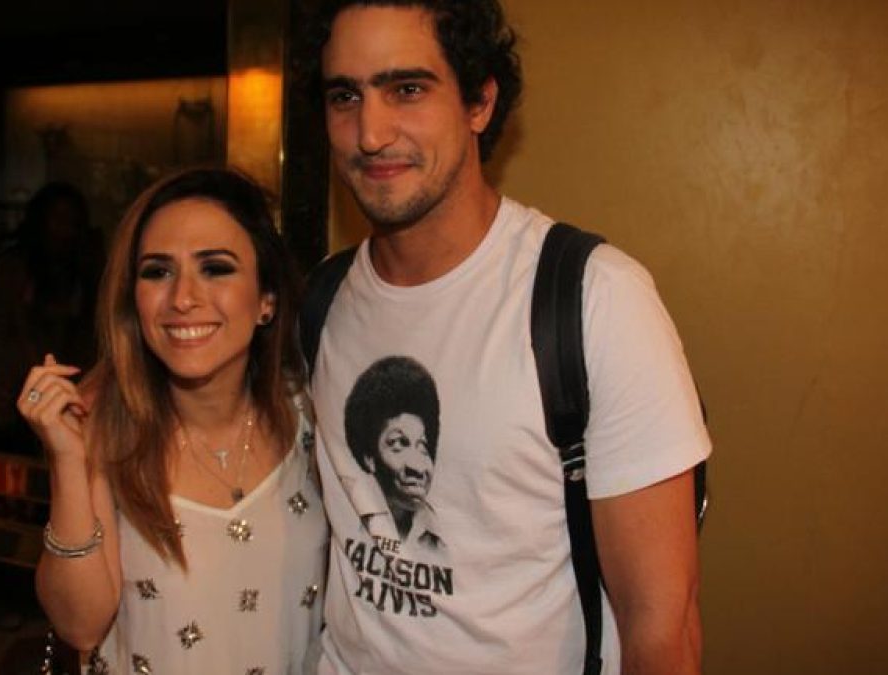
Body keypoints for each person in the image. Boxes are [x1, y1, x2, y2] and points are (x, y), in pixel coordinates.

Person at [302, 1, 712, 674]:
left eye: (407, 89)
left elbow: (661, 629)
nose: (369, 133)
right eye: (345, 96)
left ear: (480, 101)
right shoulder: (323, 299)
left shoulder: (594, 300)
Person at [20, 168, 327, 674]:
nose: (183, 298)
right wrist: (68, 459)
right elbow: (79, 626)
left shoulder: (313, 414)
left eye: (216, 269)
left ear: (266, 300)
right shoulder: (104, 429)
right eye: (158, 272)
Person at [0, 182, 103, 447]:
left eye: (72, 222)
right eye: (58, 219)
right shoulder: (12, 272)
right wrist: (1, 405)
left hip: (76, 403)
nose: (65, 230)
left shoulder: (84, 273)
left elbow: (91, 340)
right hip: (19, 403)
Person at [343, 355, 442, 551]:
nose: (417, 467)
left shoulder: (440, 538)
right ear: (369, 458)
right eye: (398, 444)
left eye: (422, 447)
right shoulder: (348, 513)